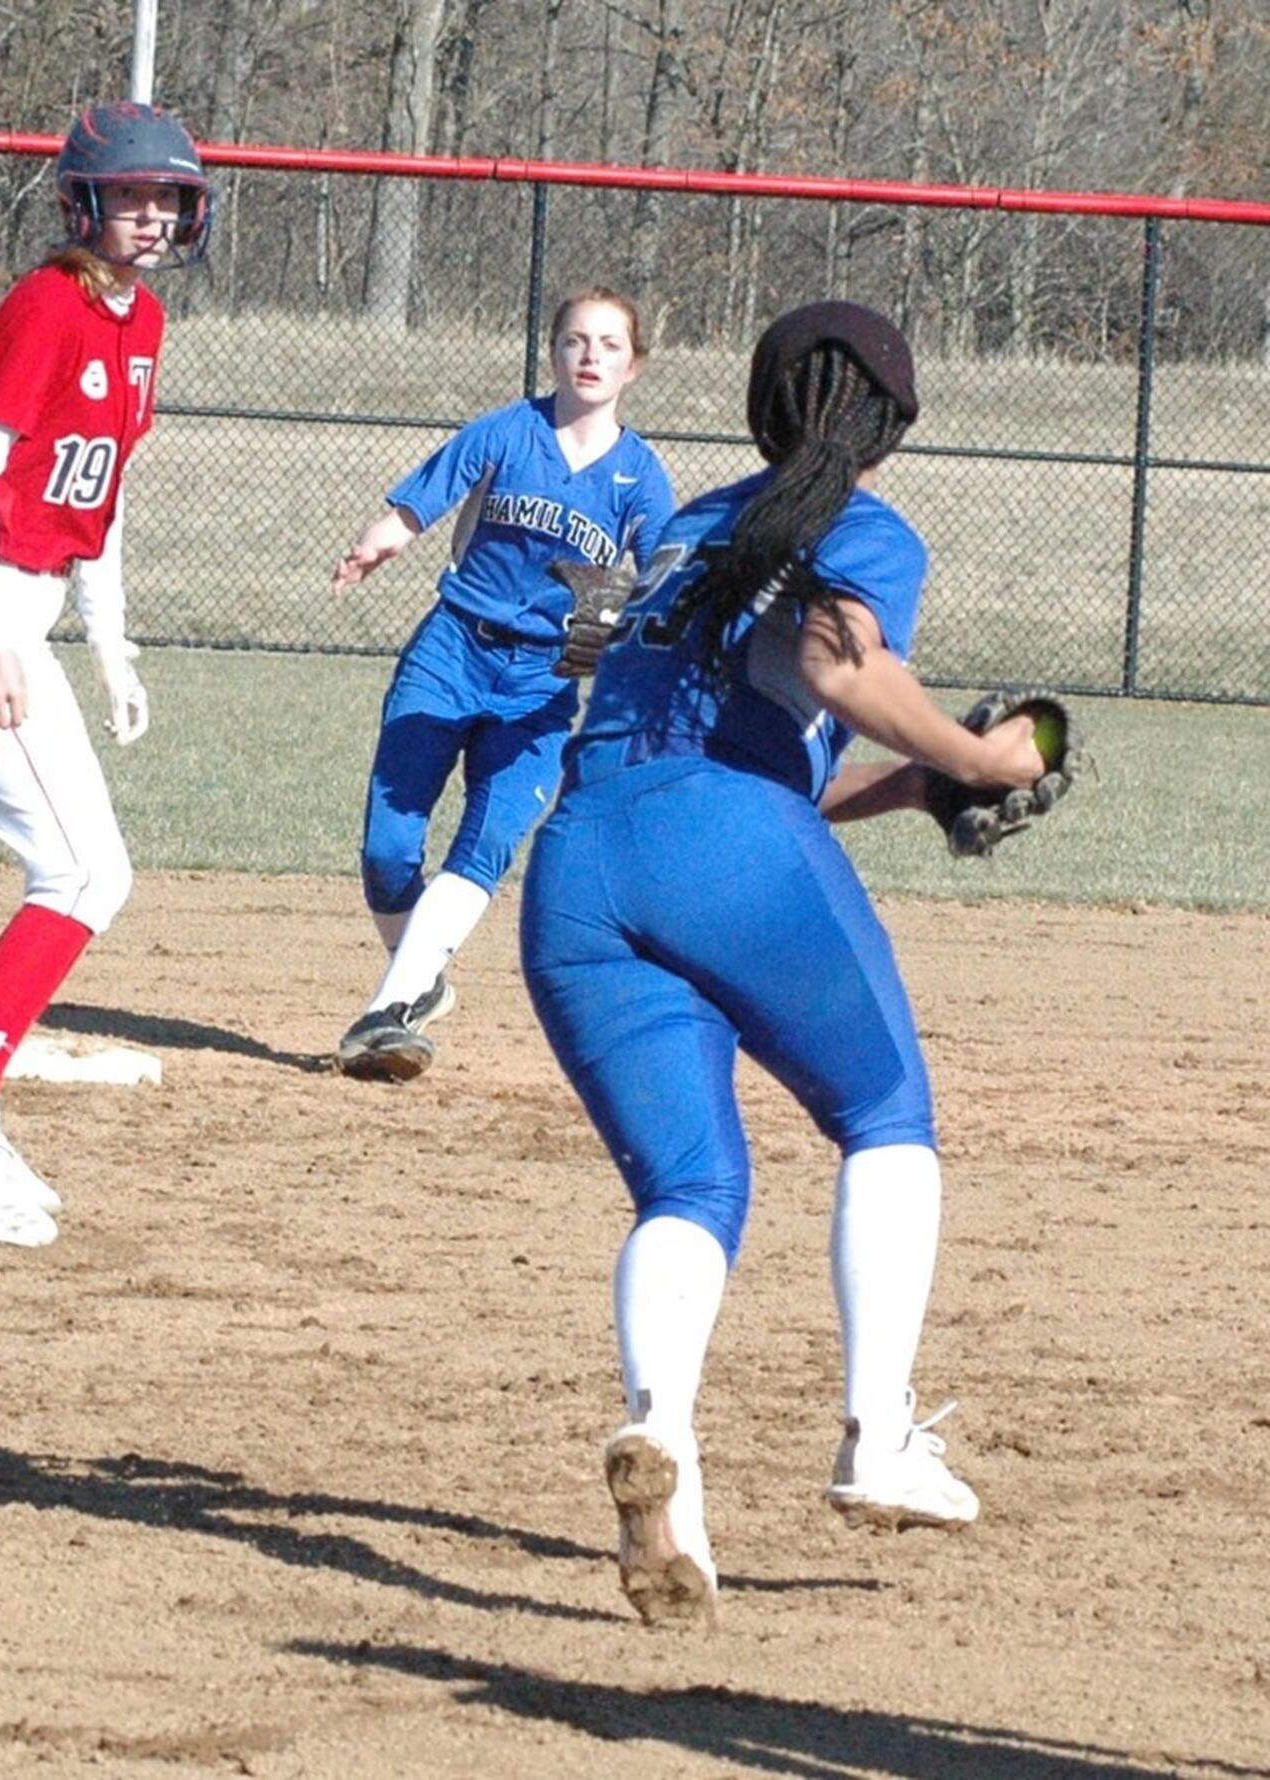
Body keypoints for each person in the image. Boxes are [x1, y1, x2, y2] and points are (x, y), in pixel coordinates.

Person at [519, 301, 1050, 1626]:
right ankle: (880, 1436)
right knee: (886, 1119)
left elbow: (749, 744)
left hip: (578, 866)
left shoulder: (698, 523)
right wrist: (985, 760)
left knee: (690, 1184)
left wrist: (917, 784)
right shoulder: (859, 524)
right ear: (888, 425)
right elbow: (829, 664)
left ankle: (667, 1461)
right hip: (720, 843)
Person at [0, 101, 211, 1247]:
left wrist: (108, 643)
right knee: (76, 872)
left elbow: (100, 504)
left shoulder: (143, 320)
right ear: (81, 203)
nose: (152, 213)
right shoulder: (42, 306)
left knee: (89, 874)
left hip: (19, 607)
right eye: (131, 193)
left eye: (168, 196)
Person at [330, 288, 676, 1083]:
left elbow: (661, 577)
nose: (591, 356)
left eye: (610, 344)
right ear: (553, 353)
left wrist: (639, 620)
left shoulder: (640, 476)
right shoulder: (508, 431)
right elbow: (422, 502)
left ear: (634, 365)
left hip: (545, 682)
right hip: (452, 649)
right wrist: (375, 544)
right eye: (576, 341)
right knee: (388, 850)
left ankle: (388, 1010)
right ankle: (418, 977)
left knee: (484, 843)